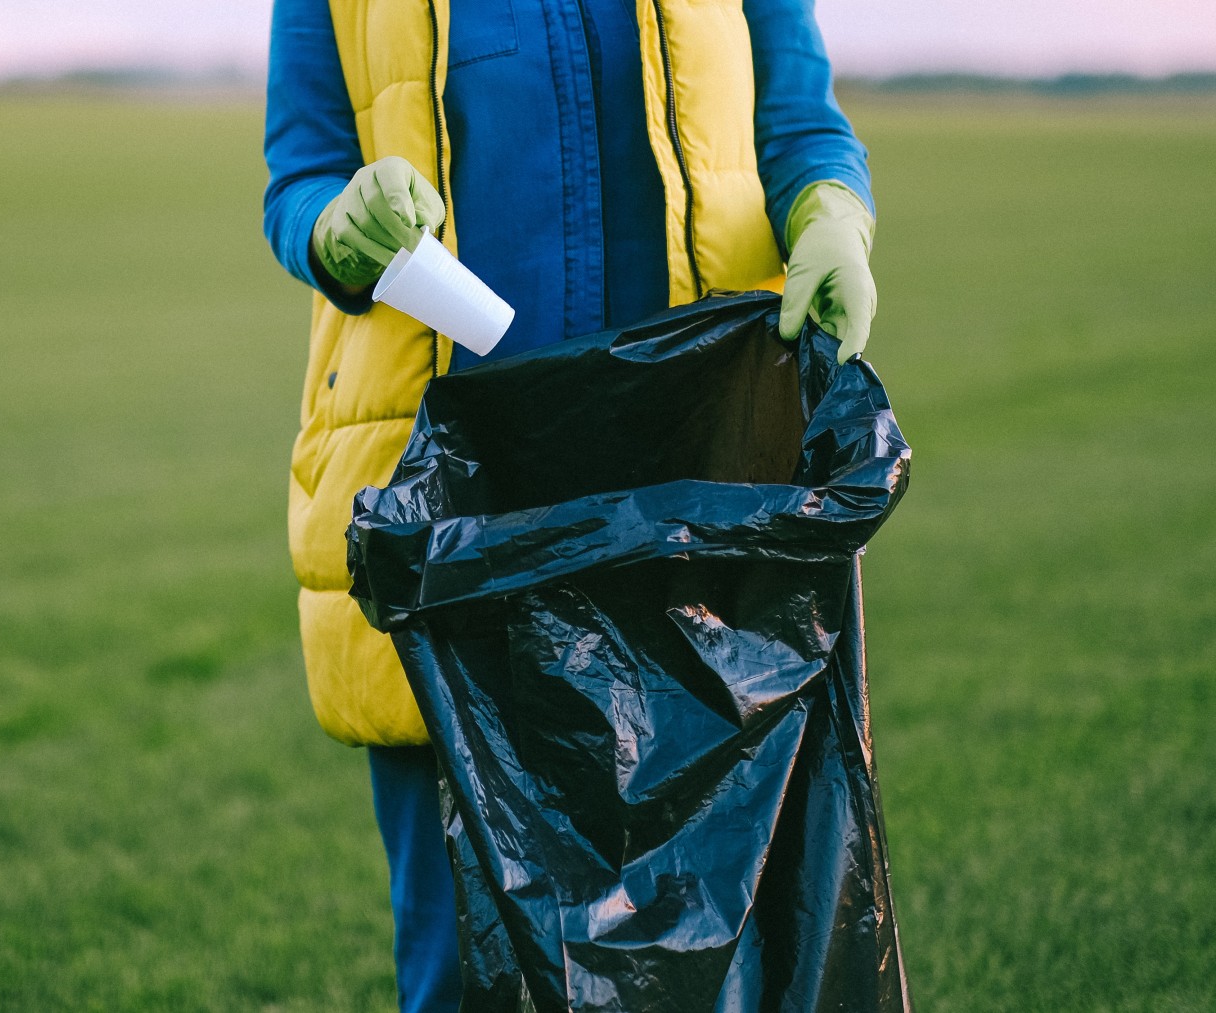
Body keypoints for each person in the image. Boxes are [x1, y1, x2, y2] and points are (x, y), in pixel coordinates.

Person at [262, 1, 876, 1008]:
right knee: (466, 968)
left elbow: (802, 127)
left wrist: (831, 214)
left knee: (714, 957)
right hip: (458, 516)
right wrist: (337, 225)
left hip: (692, 492)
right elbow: (300, 179)